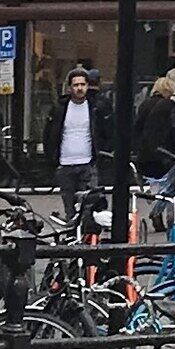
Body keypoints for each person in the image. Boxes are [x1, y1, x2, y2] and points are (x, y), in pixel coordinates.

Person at [46, 66, 105, 229]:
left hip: (87, 163)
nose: (79, 88)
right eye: (76, 85)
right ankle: (72, 242)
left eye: (82, 84)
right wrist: (53, 158)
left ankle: (87, 242)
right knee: (70, 209)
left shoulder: (94, 108)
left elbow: (104, 132)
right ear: (70, 87)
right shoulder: (60, 108)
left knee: (89, 208)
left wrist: (99, 153)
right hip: (65, 164)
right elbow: (50, 134)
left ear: (88, 86)